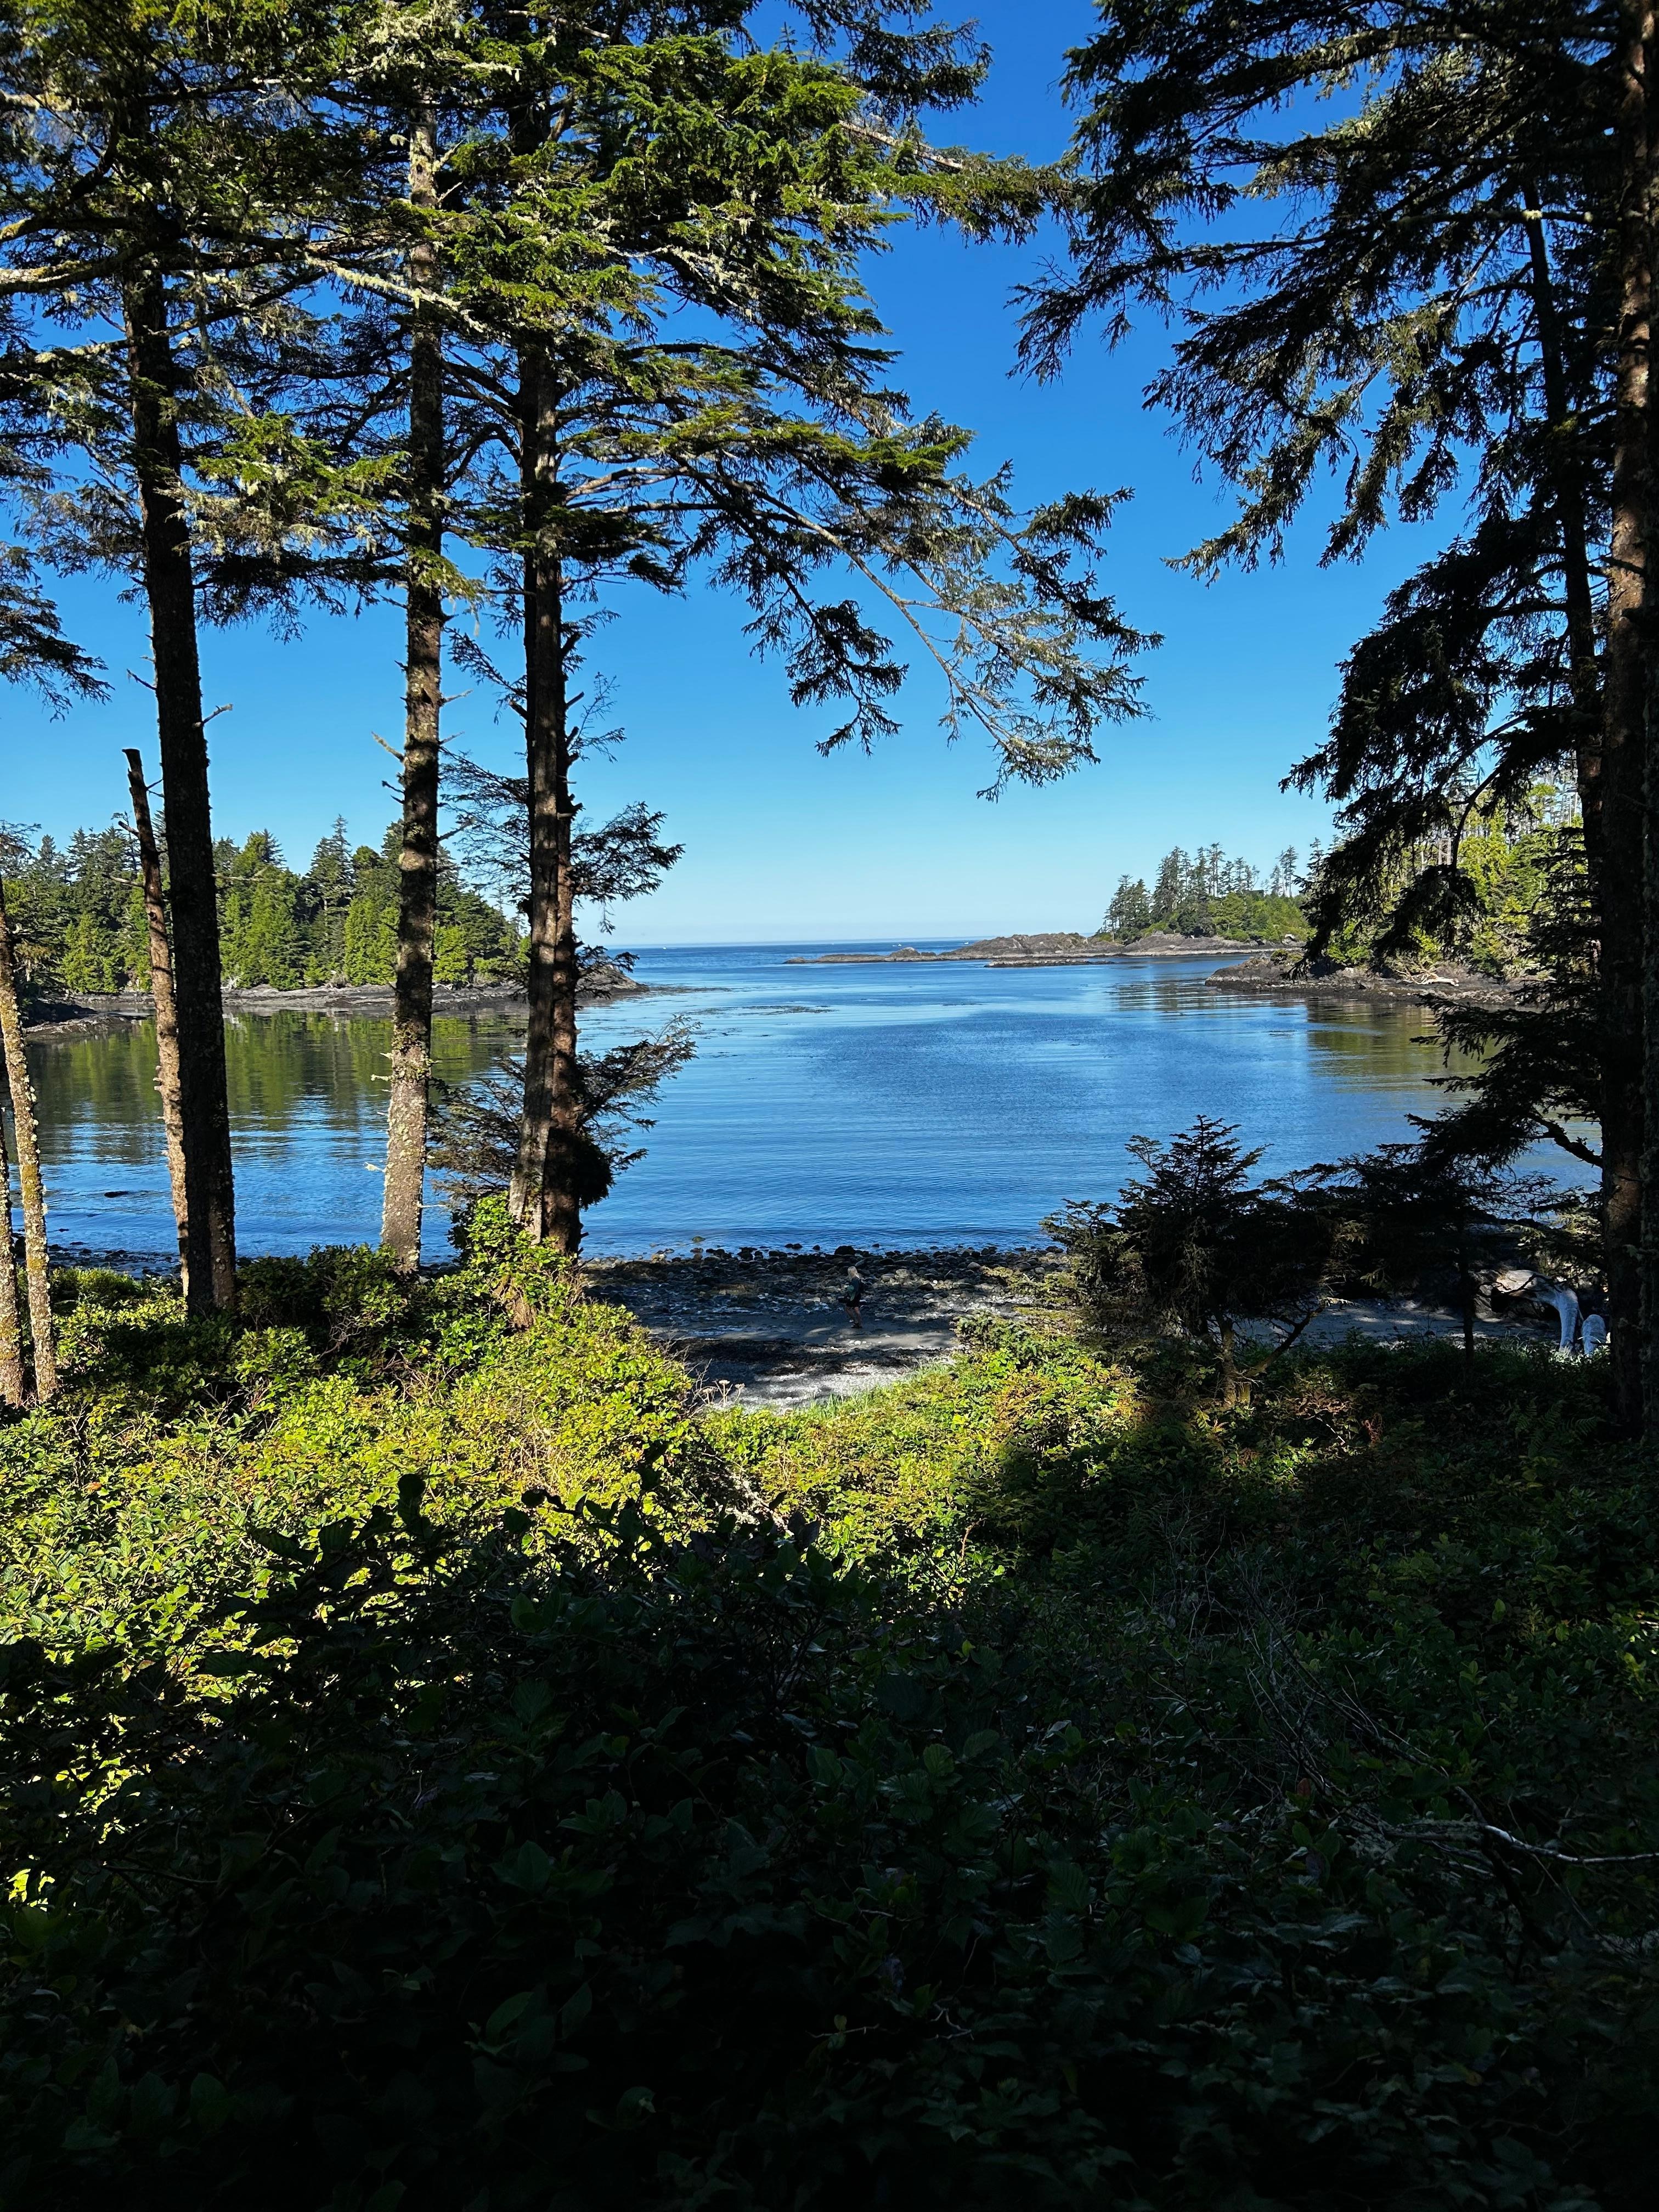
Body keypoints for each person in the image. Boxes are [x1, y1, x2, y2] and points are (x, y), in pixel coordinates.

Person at [839, 1263, 865, 1330]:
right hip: (858, 1295)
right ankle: (859, 1324)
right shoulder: (858, 1279)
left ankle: (856, 1322)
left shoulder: (854, 1280)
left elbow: (855, 1290)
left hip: (854, 1296)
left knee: (848, 1308)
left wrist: (849, 1293)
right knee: (856, 1309)